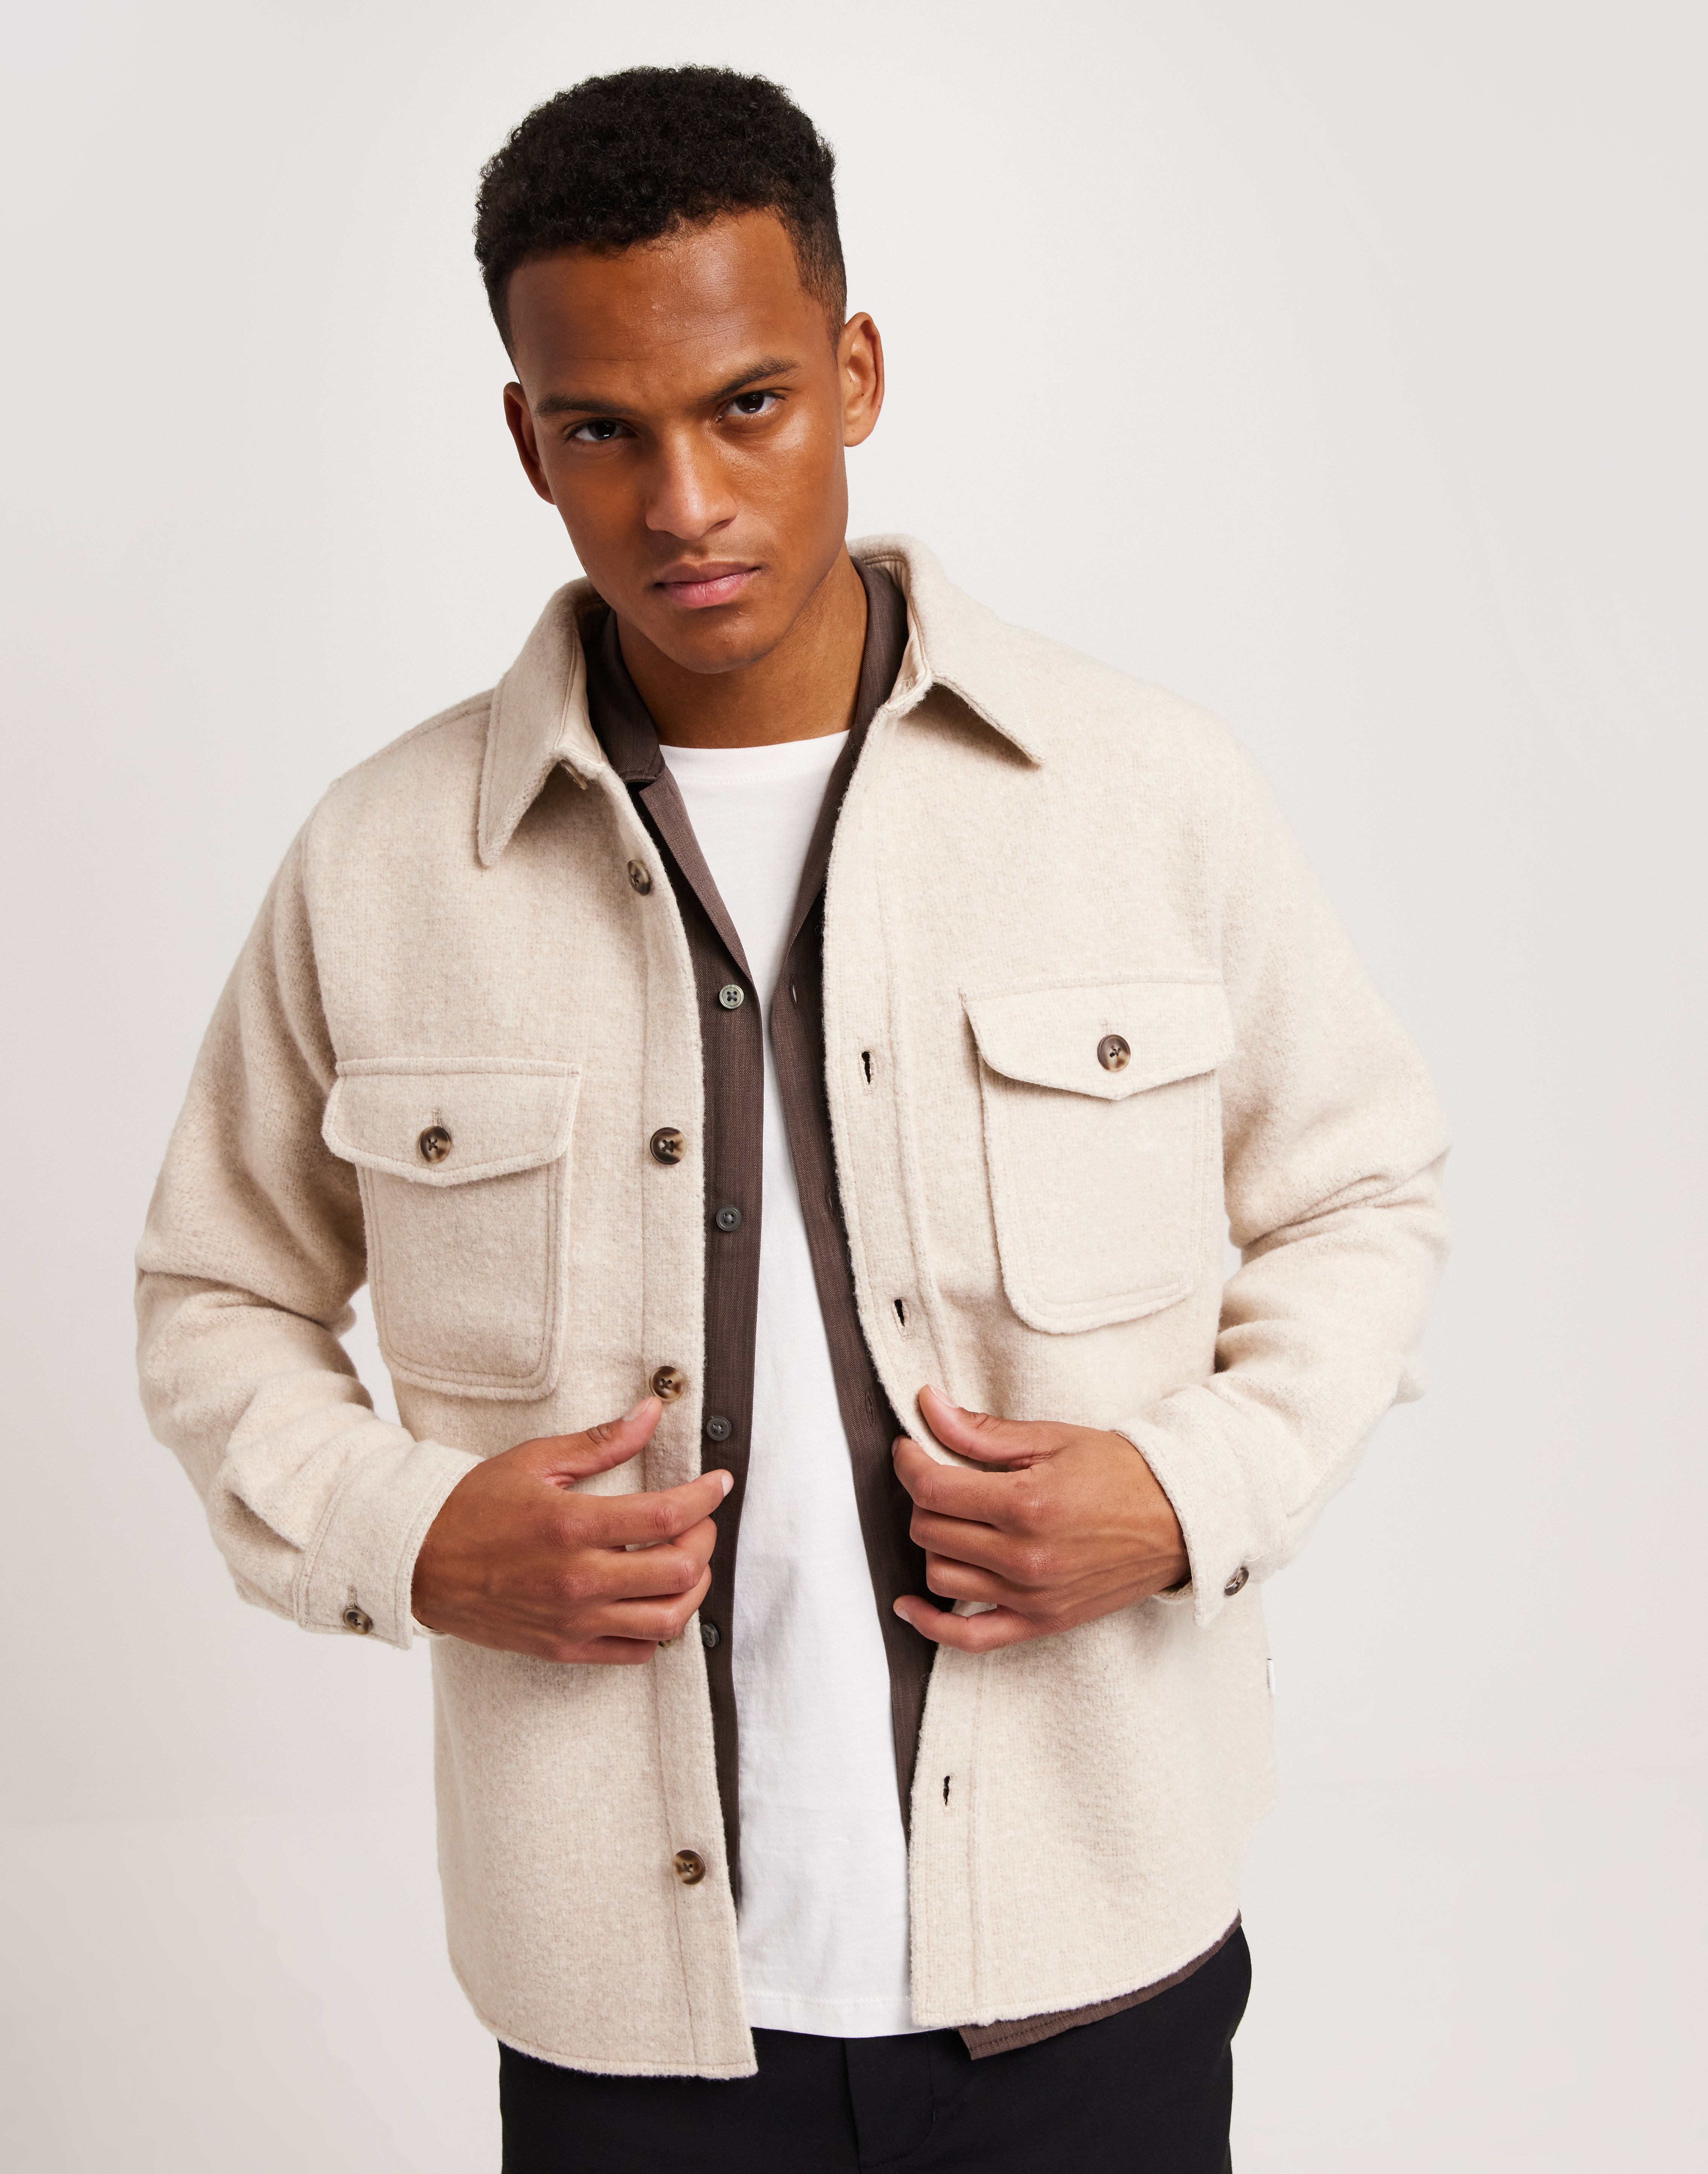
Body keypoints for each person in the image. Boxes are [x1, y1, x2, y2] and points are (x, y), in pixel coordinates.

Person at [136, 64, 1449, 2172]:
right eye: (603, 430)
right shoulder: (384, 863)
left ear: (854, 374)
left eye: (745, 404)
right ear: (525, 440)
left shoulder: (1141, 793)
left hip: (1093, 1965)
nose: (684, 501)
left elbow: (1360, 1190)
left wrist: (1190, 1488)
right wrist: (408, 1535)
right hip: (623, 2019)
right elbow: (216, 1291)